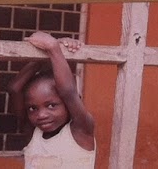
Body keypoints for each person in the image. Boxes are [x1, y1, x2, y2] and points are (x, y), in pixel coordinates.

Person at [9, 31, 97, 168]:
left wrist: (53, 48)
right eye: (33, 108)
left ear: (69, 104)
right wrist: (48, 52)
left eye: (51, 105)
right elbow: (15, 89)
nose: (41, 115)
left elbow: (68, 92)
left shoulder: (81, 129)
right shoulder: (33, 133)